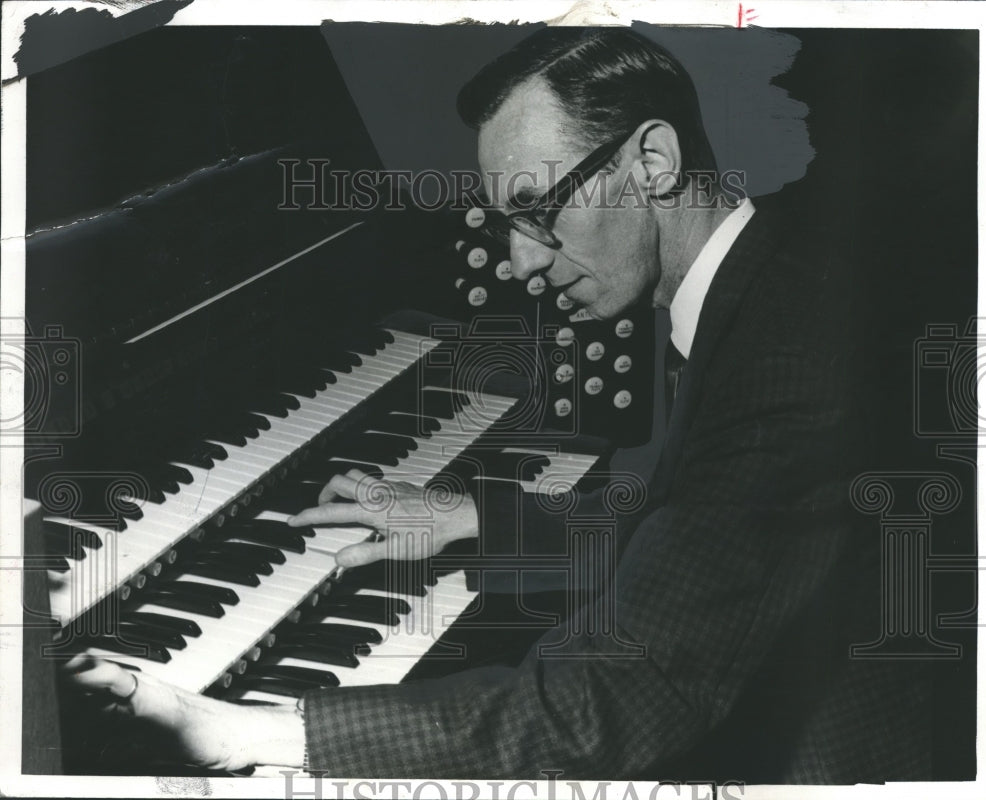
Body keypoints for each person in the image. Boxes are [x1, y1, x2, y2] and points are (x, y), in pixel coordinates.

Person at [65, 28, 932, 782]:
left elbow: (607, 705)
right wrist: (475, 516)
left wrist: (251, 728)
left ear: (654, 161)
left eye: (537, 210)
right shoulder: (771, 281)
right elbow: (715, 531)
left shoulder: (789, 360)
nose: (518, 261)